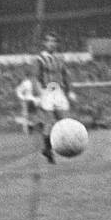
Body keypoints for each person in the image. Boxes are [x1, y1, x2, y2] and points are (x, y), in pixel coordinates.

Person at [29, 32, 74, 163]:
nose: (52, 43)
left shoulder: (60, 58)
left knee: (65, 121)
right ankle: (48, 149)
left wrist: (70, 91)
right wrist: (37, 95)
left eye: (54, 41)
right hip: (46, 92)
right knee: (49, 122)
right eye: (49, 41)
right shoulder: (39, 59)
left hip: (59, 91)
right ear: (45, 43)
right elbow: (35, 78)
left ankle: (50, 148)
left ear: (57, 44)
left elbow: (66, 75)